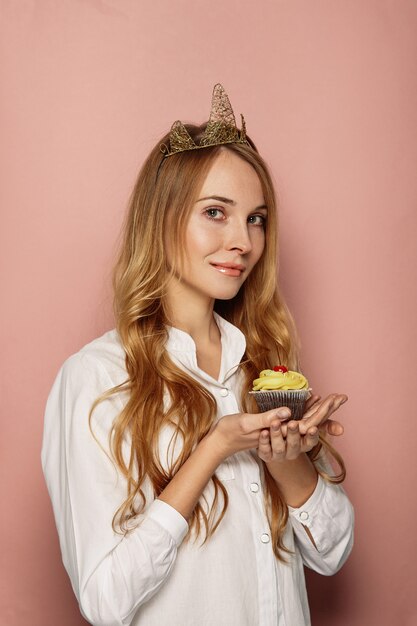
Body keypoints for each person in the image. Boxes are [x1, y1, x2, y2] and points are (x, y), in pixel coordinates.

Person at [42, 84, 354, 626]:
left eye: (256, 219)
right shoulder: (96, 378)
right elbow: (104, 601)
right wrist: (215, 447)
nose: (243, 241)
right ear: (160, 218)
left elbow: (332, 554)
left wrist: (287, 461)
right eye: (216, 212)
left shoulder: (266, 369)